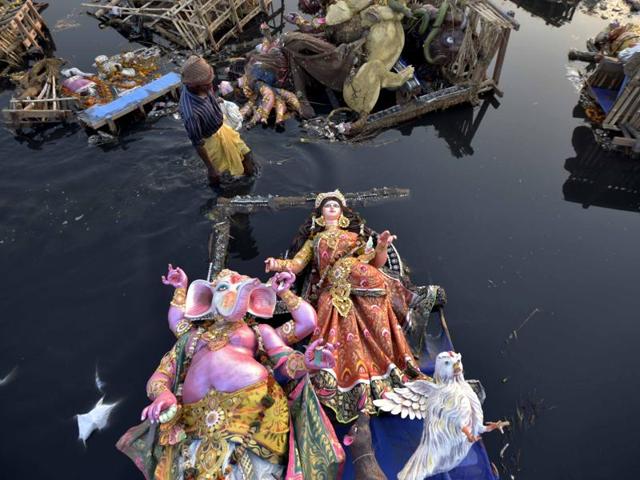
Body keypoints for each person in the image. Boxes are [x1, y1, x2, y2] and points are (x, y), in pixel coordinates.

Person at [264, 190, 430, 424]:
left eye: (336, 205)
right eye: (327, 205)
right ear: (320, 214)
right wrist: (275, 264)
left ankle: (389, 362)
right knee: (343, 334)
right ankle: (352, 383)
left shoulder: (354, 238)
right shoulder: (315, 240)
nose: (331, 208)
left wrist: (382, 246)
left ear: (342, 213)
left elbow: (376, 262)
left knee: (375, 296)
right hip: (332, 291)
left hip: (361, 280)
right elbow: (297, 265)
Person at [179, 56, 255, 186]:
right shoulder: (191, 114)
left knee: (246, 154)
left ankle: (250, 178)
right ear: (195, 85)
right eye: (207, 83)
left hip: (223, 128)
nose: (211, 85)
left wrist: (217, 101)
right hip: (211, 141)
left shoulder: (202, 87)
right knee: (224, 173)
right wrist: (210, 168)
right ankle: (224, 190)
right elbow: (198, 143)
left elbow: (210, 94)